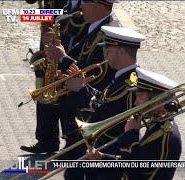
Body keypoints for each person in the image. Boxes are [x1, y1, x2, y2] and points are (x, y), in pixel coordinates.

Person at [20, 0, 119, 154]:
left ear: (98, 6)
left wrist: (63, 59)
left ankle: (73, 147)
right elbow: (78, 54)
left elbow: (97, 72)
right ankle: (53, 142)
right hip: (78, 79)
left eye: (86, 2)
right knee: (53, 90)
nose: (81, 5)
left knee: (68, 99)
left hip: (91, 93)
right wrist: (59, 62)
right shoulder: (97, 26)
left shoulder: (108, 32)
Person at [60, 25, 145, 179]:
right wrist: (84, 86)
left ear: (121, 51)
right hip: (102, 145)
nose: (105, 54)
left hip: (110, 148)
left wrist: (82, 90)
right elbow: (103, 98)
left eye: (109, 50)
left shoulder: (130, 82)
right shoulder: (122, 76)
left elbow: (107, 113)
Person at [86, 69, 182, 180]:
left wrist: (131, 134)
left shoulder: (165, 133)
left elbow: (135, 168)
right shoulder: (156, 123)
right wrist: (102, 158)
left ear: (157, 101)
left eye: (140, 96)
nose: (135, 102)